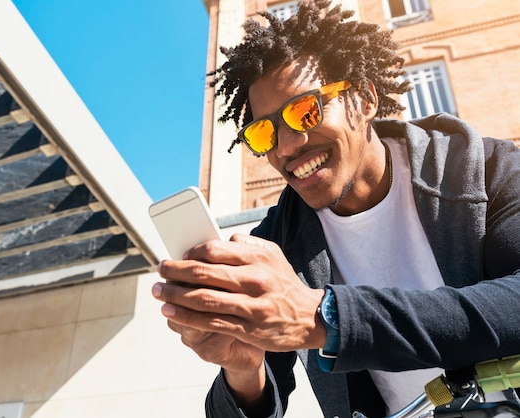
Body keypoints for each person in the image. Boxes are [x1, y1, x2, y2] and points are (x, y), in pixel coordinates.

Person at [151, 0, 520, 416]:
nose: (286, 146)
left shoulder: (487, 168)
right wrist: (242, 371)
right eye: (263, 132)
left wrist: (329, 317)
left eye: (305, 111)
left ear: (364, 99)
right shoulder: (277, 244)